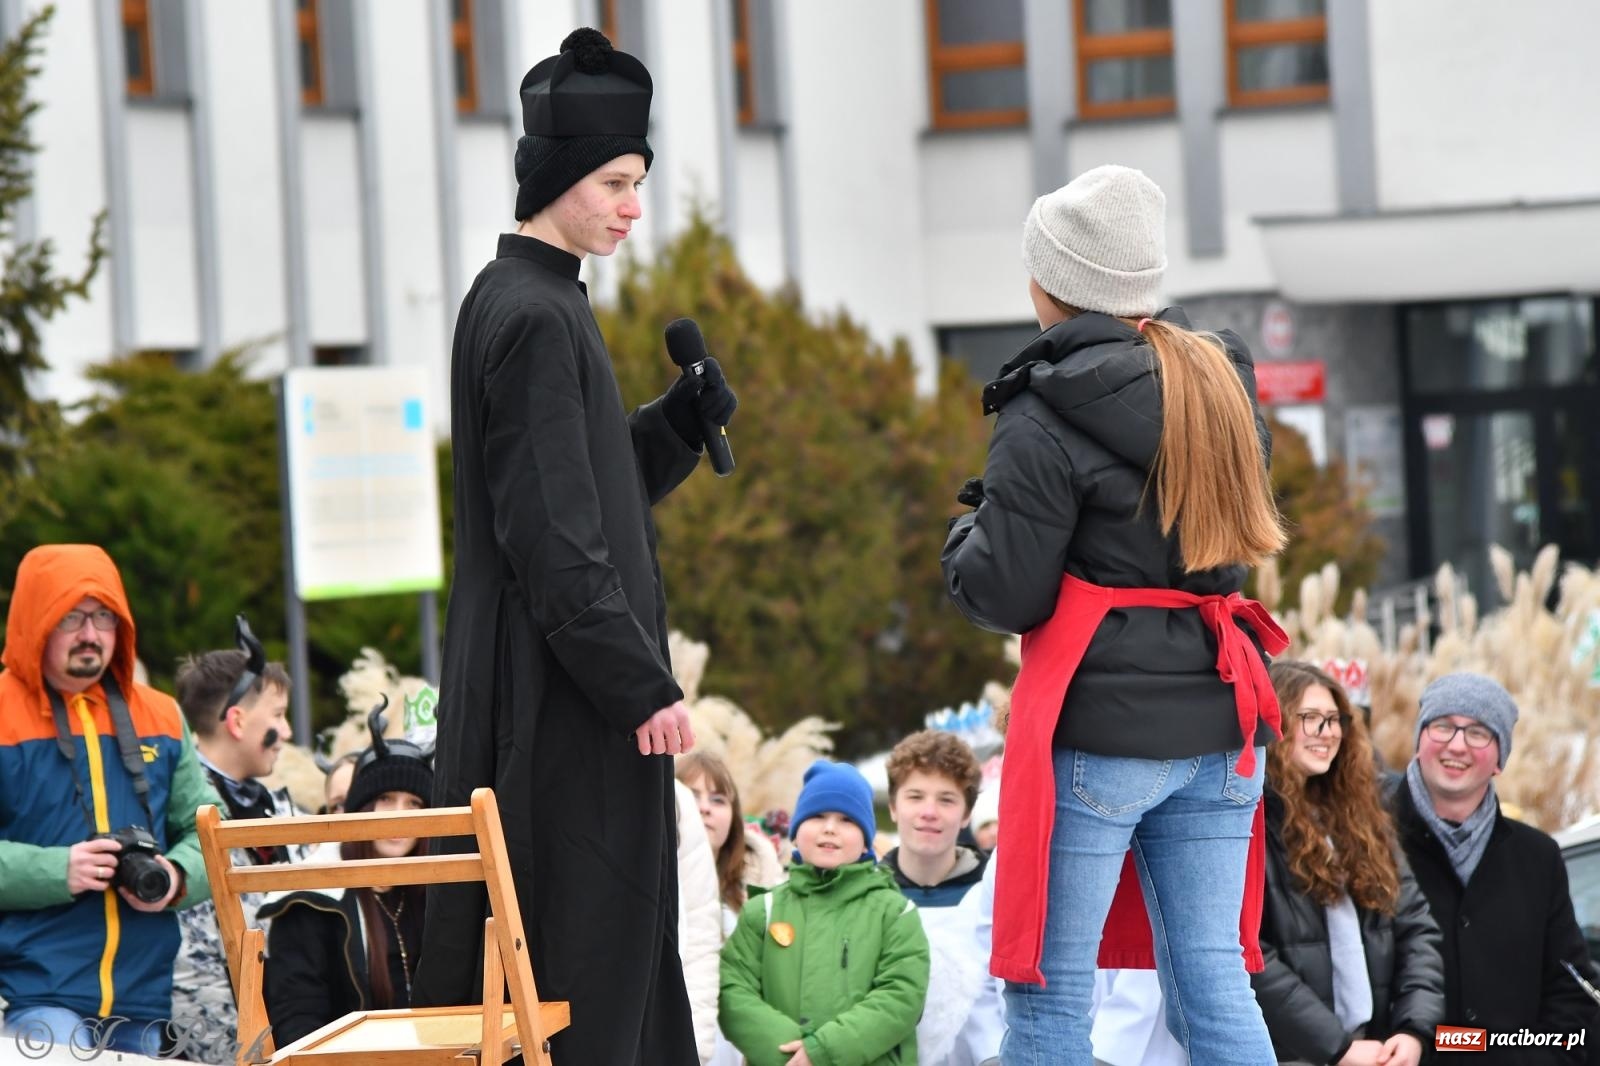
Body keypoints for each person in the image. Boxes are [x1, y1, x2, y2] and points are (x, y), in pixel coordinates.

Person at [413, 26, 737, 1065]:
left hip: (555, 689)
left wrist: (675, 425)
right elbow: (553, 540)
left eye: (637, 181)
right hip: (555, 706)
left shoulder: (534, 302)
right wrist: (638, 683)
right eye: (615, 182)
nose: (633, 207)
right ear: (557, 176)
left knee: (599, 958)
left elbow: (582, 494)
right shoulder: (535, 315)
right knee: (580, 969)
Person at [941, 164, 1289, 1065]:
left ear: (1045, 283)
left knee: (1051, 1003)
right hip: (1224, 721)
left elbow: (1005, 589)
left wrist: (967, 529)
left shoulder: (1041, 406)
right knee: (1214, 982)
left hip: (1102, 730)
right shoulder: (1218, 381)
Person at [0, 544, 218, 1057]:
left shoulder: (161, 715)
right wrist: (59, 870)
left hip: (146, 1002)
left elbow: (214, 830)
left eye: (104, 618)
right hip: (35, 997)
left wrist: (177, 877)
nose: (90, 634)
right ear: (37, 623)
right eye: (71, 617)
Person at [1388, 672, 1598, 1063]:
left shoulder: (1538, 857)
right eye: (1443, 726)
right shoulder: (1370, 841)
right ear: (1419, 739)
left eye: (1478, 733)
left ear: (1500, 759)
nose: (1457, 745)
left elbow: (1571, 992)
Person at [1255, 661, 1443, 1066]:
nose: (1328, 733)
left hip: (1376, 1050)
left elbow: (1415, 927)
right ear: (1275, 722)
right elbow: (1250, 953)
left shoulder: (1361, 817)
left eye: (1334, 719)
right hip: (1292, 1055)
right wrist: (1336, 1047)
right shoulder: (1250, 822)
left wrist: (1413, 1030)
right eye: (1309, 719)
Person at [719, 760, 929, 1066]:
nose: (830, 827)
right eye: (817, 816)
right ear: (796, 831)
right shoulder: (763, 911)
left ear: (866, 841)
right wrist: (790, 1055)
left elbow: (901, 996)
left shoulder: (896, 913)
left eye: (846, 819)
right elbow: (732, 989)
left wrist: (824, 1051)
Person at [169, 634, 306, 1064]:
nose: (287, 731)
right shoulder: (181, 815)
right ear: (237, 722)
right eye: (279, 715)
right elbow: (191, 968)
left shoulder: (268, 805)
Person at [260, 708, 433, 1047]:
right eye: (385, 799)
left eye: (414, 803)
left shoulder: (436, 889)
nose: (399, 816)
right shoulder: (311, 897)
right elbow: (297, 1020)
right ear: (360, 807)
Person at [882, 730, 999, 1065]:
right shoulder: (867, 895)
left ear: (966, 814)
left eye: (946, 800)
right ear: (893, 807)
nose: (929, 812)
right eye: (915, 796)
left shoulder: (992, 895)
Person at [676, 751, 784, 1066]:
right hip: (678, 1039)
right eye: (692, 795)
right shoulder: (656, 888)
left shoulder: (759, 891)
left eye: (718, 799)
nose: (705, 808)